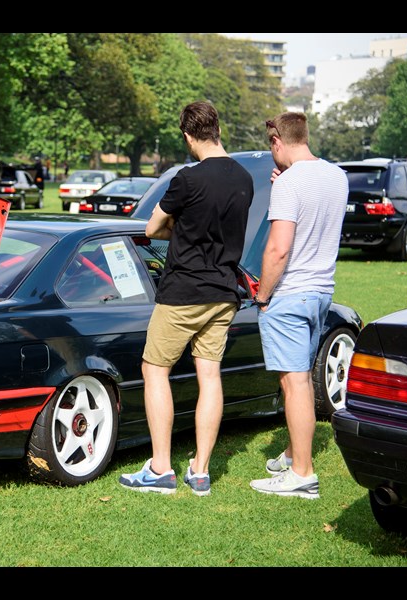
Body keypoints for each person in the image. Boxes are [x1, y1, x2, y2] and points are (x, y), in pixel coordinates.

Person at [118, 101, 253, 496]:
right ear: (219, 129)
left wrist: (179, 231)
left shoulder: (186, 179)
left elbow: (152, 227)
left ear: (187, 136)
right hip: (225, 291)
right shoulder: (245, 178)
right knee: (209, 375)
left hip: (183, 291)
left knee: (154, 369)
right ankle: (200, 470)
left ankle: (161, 469)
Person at [249, 112, 348, 500]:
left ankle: (302, 474)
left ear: (277, 141)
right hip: (322, 291)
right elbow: (316, 213)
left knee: (294, 384)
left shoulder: (288, 182)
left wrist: (262, 296)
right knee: (301, 377)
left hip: (290, 292)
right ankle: (293, 454)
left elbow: (278, 248)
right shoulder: (336, 176)